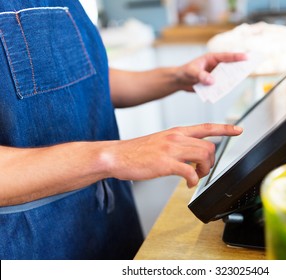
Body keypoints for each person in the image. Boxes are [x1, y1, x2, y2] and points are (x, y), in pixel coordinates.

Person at [0, 1, 245, 259]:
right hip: (31, 242)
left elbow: (87, 79)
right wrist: (113, 156)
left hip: (106, 215)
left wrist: (175, 78)